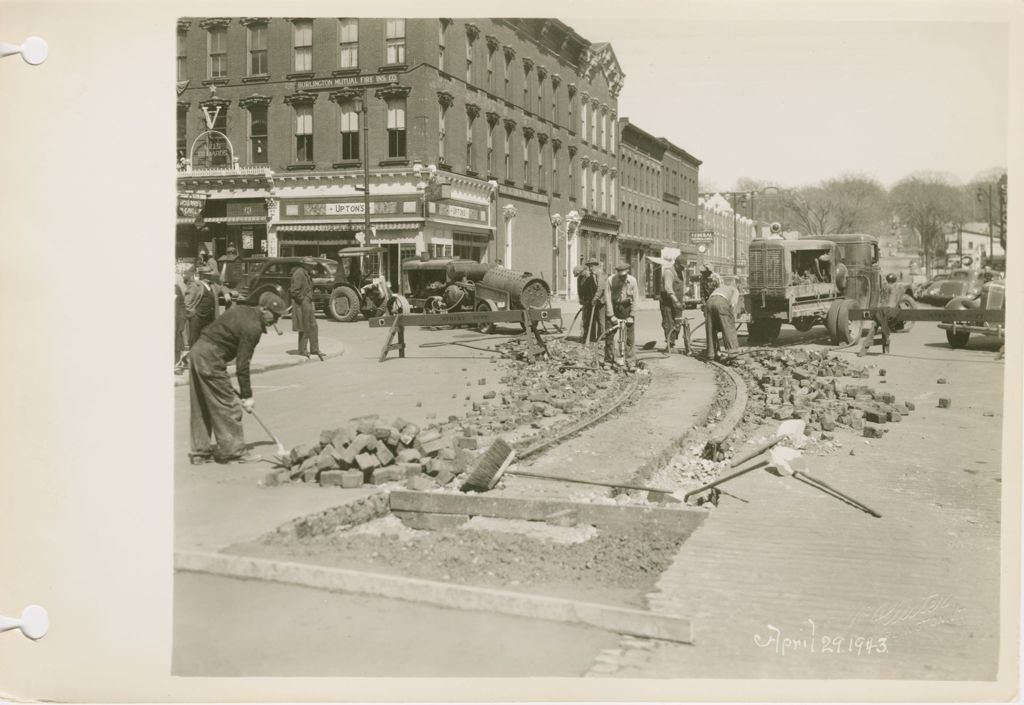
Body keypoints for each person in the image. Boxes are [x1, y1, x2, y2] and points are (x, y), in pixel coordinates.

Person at [189, 298, 286, 464]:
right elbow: (243, 364)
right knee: (229, 404)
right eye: (274, 315)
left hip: (198, 350)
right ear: (263, 308)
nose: (275, 320)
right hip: (211, 357)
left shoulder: (242, 310)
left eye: (278, 317)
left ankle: (200, 452)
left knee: (202, 404)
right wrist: (247, 396)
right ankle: (233, 451)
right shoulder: (253, 327)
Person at [605, 262, 639, 370]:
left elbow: (636, 299)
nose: (622, 277)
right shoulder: (610, 280)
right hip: (614, 307)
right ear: (617, 273)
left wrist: (631, 316)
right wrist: (611, 315)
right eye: (620, 275)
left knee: (629, 337)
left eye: (624, 275)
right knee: (609, 335)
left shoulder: (632, 281)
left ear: (627, 273)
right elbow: (607, 298)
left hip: (626, 307)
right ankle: (608, 361)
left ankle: (630, 361)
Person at [859, 273, 901, 356]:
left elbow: (877, 300)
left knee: (879, 320)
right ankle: (889, 333)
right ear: (895, 281)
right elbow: (897, 301)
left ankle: (884, 344)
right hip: (889, 309)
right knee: (896, 316)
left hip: (879, 310)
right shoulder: (895, 288)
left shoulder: (883, 287)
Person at [289, 261, 324, 361]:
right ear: (305, 265)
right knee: (304, 326)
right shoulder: (299, 273)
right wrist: (302, 300)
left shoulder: (306, 273)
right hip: (303, 303)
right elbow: (293, 291)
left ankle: (314, 349)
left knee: (313, 325)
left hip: (308, 302)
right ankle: (302, 349)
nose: (312, 267)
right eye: (310, 265)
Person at [184, 260, 219, 348]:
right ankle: (192, 359)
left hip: (209, 318)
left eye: (209, 275)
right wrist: (193, 314)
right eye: (206, 275)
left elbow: (222, 287)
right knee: (194, 339)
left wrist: (227, 293)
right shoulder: (195, 286)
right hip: (197, 318)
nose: (208, 277)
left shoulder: (212, 286)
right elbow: (186, 303)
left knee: (206, 340)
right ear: (201, 275)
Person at [706, 276, 740, 355]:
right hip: (721, 302)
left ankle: (711, 353)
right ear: (735, 284)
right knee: (729, 325)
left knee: (710, 327)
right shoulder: (734, 290)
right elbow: (732, 304)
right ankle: (733, 351)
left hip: (709, 302)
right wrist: (731, 317)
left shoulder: (719, 288)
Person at [660, 254, 687, 351]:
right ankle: (669, 344)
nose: (683, 269)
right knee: (668, 323)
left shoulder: (681, 272)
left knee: (678, 322)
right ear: (676, 264)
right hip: (668, 301)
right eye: (681, 267)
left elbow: (683, 288)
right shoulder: (669, 272)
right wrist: (676, 301)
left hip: (678, 301)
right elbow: (668, 289)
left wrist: (683, 300)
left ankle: (673, 341)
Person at [578, 257, 606, 342]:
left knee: (601, 320)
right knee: (593, 319)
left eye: (592, 266)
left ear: (596, 266)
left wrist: (595, 298)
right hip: (595, 300)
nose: (590, 268)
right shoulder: (592, 275)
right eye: (589, 266)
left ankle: (602, 338)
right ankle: (593, 337)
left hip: (602, 300)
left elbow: (601, 288)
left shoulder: (600, 274)